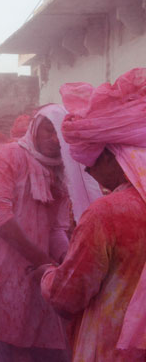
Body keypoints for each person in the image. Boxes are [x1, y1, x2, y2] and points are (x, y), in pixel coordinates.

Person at [0, 104, 100, 362]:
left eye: (58, 133)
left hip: (37, 276)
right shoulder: (9, 156)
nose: (53, 139)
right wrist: (42, 260)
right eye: (47, 131)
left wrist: (66, 261)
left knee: (43, 345)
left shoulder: (62, 167)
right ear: (34, 130)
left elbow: (56, 228)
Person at [40, 68, 146, 362]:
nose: (89, 173)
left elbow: (68, 296)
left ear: (115, 154)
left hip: (112, 348)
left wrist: (47, 276)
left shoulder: (107, 212)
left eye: (91, 163)